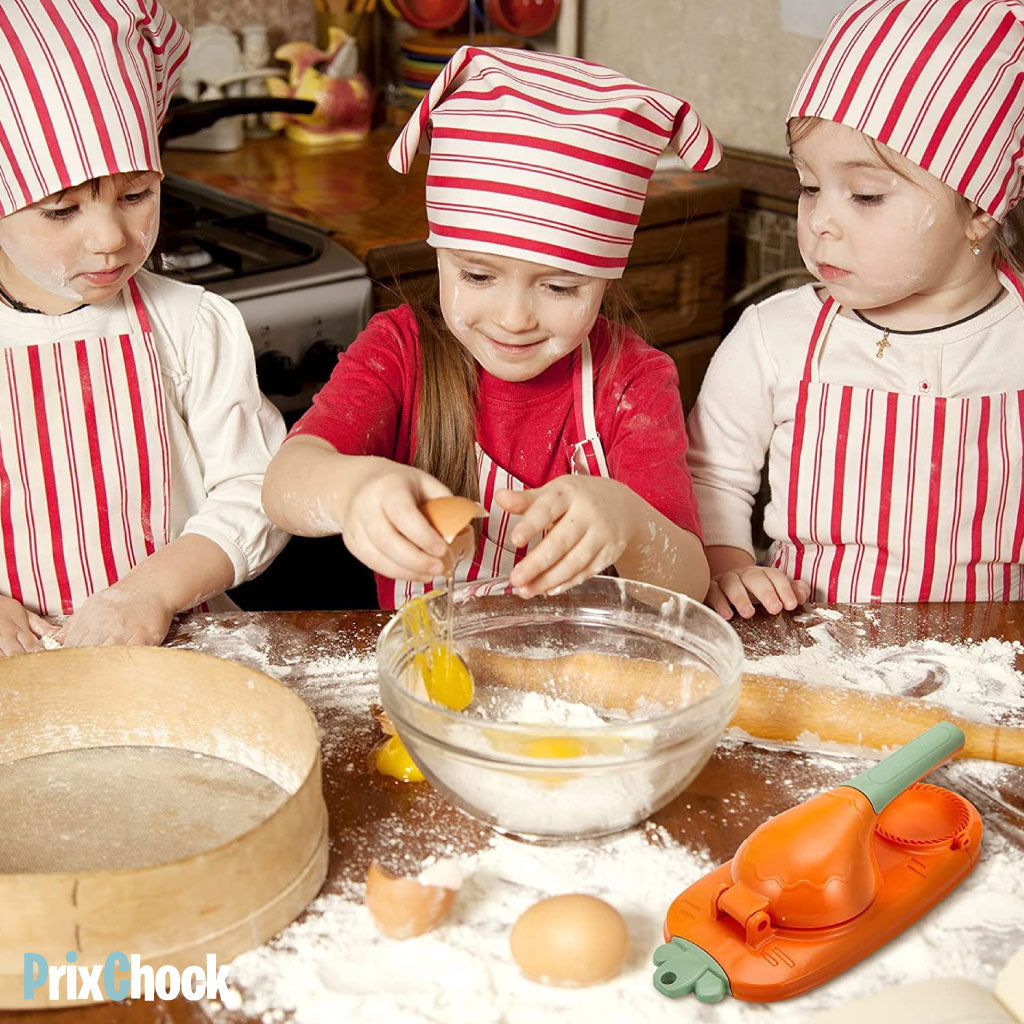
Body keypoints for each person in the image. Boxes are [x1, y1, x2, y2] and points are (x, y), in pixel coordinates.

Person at [263, 46, 717, 609]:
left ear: (605, 280)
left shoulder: (631, 382)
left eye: (559, 287)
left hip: (582, 681)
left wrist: (631, 524)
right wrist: (354, 491)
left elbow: (690, 585)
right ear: (439, 255)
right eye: (478, 275)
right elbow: (285, 483)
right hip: (433, 679)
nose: (513, 318)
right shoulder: (401, 351)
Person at [687, 0, 1024, 619]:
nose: (821, 222)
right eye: (810, 186)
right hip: (816, 655)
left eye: (866, 194)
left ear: (980, 206)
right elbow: (710, 474)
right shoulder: (776, 337)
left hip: (995, 668)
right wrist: (727, 562)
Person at [0, 0, 287, 655]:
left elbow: (255, 488)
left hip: (180, 646)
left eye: (135, 196)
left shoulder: (189, 325)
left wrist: (150, 592)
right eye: (62, 209)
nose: (110, 239)